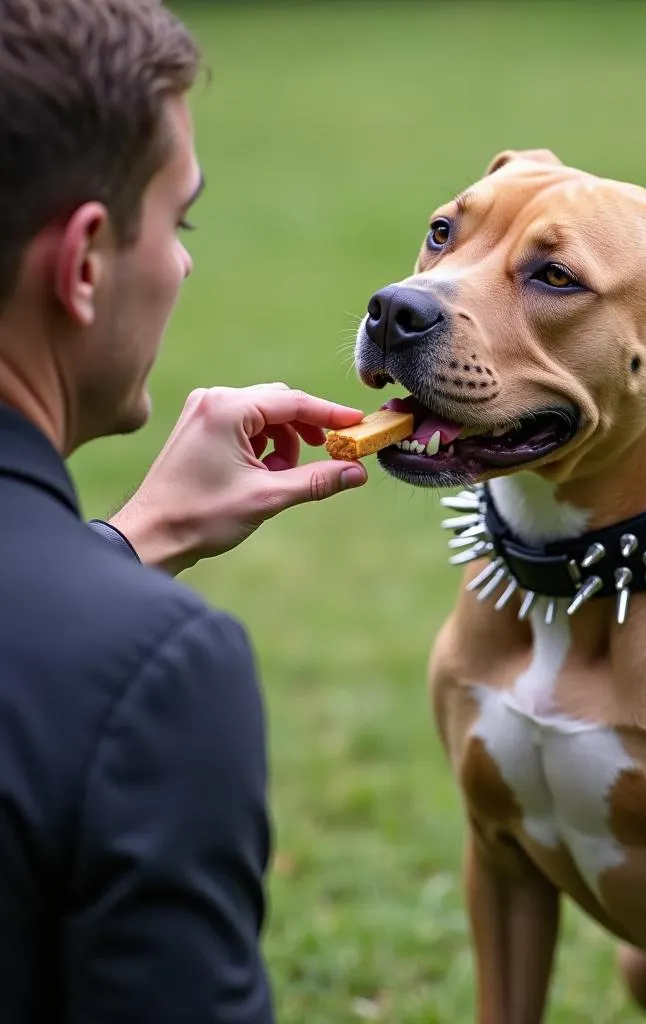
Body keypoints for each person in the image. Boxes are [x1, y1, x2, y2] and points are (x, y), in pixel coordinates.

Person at [0, 2, 369, 1020]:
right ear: (82, 264)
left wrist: (128, 542)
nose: (186, 261)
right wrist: (115, 621)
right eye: (180, 220)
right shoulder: (155, 677)